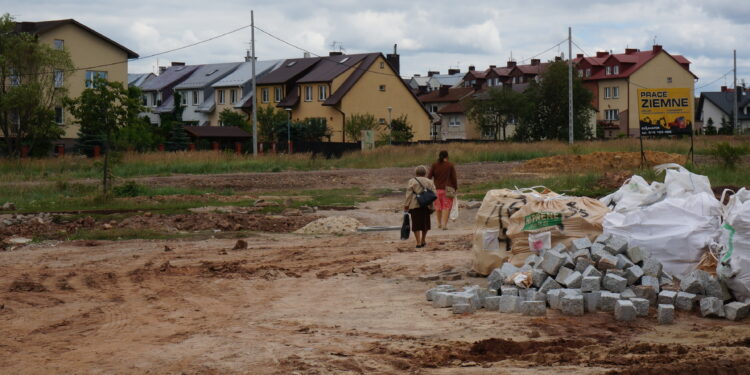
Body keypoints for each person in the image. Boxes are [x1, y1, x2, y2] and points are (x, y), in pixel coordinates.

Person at [403, 165, 436, 248]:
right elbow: (434, 193)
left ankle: (418, 242)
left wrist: (406, 205)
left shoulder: (412, 181)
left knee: (416, 224)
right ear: (425, 173)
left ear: (416, 172)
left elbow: (409, 194)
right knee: (425, 224)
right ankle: (423, 240)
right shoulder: (429, 181)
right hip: (427, 205)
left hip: (415, 205)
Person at [428, 150, 458, 230]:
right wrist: (455, 188)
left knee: (438, 207)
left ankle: (439, 223)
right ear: (447, 156)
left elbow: (429, 177)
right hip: (448, 189)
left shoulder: (434, 165)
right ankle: (444, 225)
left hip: (436, 189)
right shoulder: (450, 165)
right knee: (446, 207)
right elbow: (454, 178)